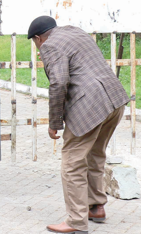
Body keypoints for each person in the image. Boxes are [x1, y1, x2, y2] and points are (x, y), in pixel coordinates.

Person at [27, 16, 129, 234]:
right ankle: (96, 207)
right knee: (95, 154)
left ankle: (75, 221)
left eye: (35, 42)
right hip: (114, 99)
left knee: (72, 162)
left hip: (90, 105)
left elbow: (59, 82)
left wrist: (54, 122)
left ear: (38, 38)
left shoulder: (49, 45)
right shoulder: (75, 31)